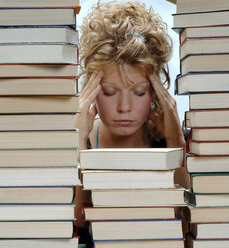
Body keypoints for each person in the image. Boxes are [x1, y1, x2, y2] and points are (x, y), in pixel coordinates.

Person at [74, 1, 189, 246]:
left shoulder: (166, 141)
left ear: (155, 93)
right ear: (91, 91)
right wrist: (77, 143)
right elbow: (79, 225)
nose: (124, 107)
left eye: (138, 92)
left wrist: (175, 140)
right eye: (109, 92)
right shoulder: (81, 139)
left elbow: (186, 222)